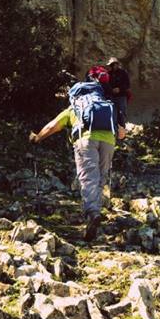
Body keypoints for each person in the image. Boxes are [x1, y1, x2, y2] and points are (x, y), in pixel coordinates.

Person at [29, 81, 125, 242]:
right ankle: (96, 211)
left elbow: (52, 126)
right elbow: (122, 133)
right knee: (101, 178)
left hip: (86, 140)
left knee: (88, 178)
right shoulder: (107, 105)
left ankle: (92, 214)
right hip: (109, 141)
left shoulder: (74, 108)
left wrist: (37, 138)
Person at [88, 57, 131, 128]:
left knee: (121, 113)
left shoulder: (123, 73)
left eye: (114, 64)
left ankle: (122, 130)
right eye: (111, 65)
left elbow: (127, 85)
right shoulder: (108, 73)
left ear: (117, 64)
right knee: (112, 113)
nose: (113, 66)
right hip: (112, 96)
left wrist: (119, 89)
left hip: (121, 96)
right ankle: (115, 131)